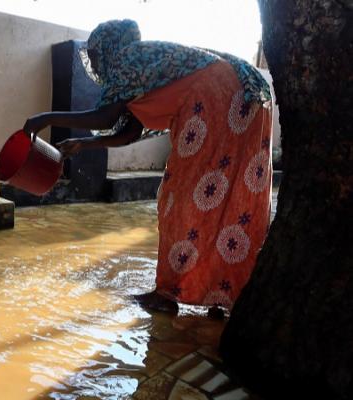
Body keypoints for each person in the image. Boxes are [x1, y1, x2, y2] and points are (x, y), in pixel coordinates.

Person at [24, 19, 273, 314]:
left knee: (178, 197)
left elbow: (103, 119)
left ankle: (166, 294)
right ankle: (220, 292)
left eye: (94, 56)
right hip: (249, 99)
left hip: (218, 97)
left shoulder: (129, 58)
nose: (94, 64)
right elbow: (128, 133)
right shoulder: (146, 71)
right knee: (228, 198)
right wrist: (85, 145)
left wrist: (46, 119)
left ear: (108, 47)